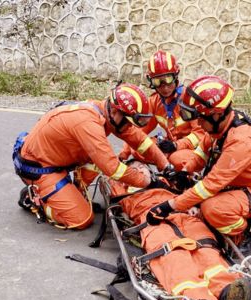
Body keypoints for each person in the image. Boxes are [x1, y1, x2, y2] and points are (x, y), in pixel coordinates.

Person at [146, 75, 251, 254]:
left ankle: (246, 231)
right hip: (237, 185)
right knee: (188, 185)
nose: (199, 124)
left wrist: (169, 206)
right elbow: (201, 154)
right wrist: (184, 172)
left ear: (217, 114)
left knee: (212, 209)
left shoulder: (241, 141)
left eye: (201, 119)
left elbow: (210, 185)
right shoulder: (219, 127)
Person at [12, 83, 172, 230]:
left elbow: (140, 140)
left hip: (58, 159)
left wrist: (165, 166)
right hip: (39, 168)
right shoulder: (89, 123)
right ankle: (35, 199)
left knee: (98, 158)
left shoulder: (108, 113)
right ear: (115, 112)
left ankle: (73, 193)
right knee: (82, 220)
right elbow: (112, 169)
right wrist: (149, 181)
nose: (129, 126)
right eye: (128, 122)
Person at [108, 161, 251, 300]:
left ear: (151, 171)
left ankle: (227, 289)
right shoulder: (124, 189)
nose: (138, 170)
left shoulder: (166, 182)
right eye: (133, 170)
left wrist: (192, 205)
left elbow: (190, 191)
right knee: (173, 254)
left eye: (141, 167)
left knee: (205, 247)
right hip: (151, 220)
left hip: (181, 214)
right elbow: (111, 174)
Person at [118, 50, 205, 171]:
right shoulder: (154, 102)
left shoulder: (188, 99)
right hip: (169, 147)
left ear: (176, 76)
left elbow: (200, 134)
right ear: (151, 81)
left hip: (192, 149)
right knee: (138, 149)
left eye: (168, 79)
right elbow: (137, 132)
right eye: (158, 81)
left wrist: (176, 146)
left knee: (177, 159)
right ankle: (167, 169)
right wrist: (123, 154)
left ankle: (184, 177)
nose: (164, 87)